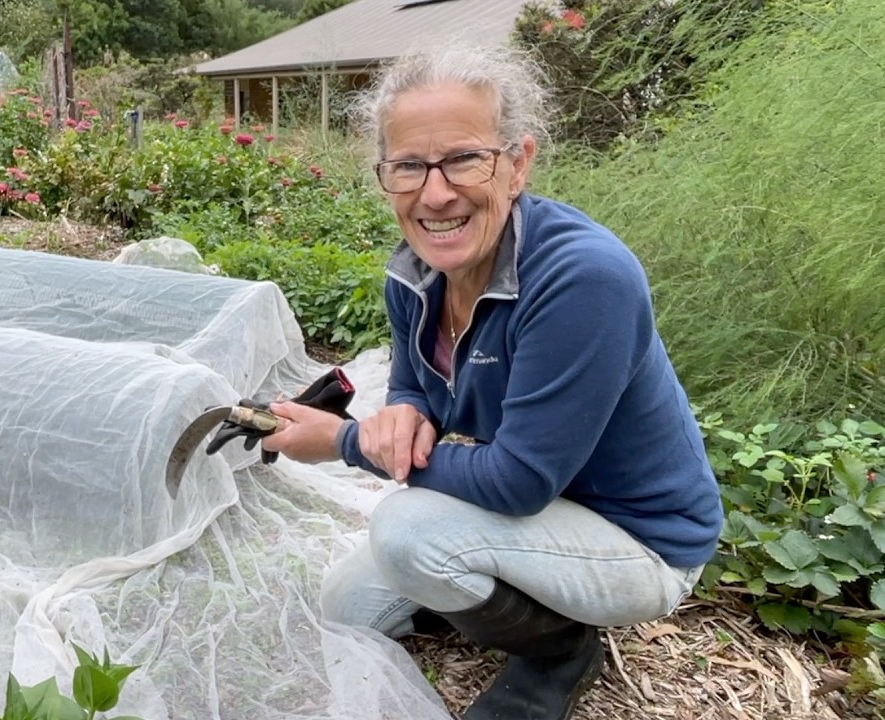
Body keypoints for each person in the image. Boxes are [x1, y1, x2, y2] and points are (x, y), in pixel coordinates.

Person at [259, 44, 725, 720]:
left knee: (408, 532)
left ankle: (560, 651)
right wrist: (407, 412)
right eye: (409, 166)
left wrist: (345, 442)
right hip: (536, 514)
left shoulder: (582, 278)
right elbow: (414, 384)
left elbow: (517, 482)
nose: (435, 193)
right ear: (386, 174)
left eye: (464, 158)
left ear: (517, 164)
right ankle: (504, 590)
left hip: (637, 539)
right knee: (348, 608)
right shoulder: (414, 272)